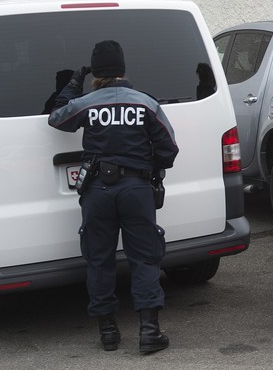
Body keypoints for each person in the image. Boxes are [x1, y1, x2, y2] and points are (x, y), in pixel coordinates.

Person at [48, 40, 179, 353]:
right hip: (137, 189)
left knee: (99, 260)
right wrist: (149, 167)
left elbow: (56, 117)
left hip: (97, 190)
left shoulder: (87, 103)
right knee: (145, 259)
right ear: (123, 69)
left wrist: (72, 83)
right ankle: (149, 333)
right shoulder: (146, 104)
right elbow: (169, 149)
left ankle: (108, 333)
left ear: (96, 73)